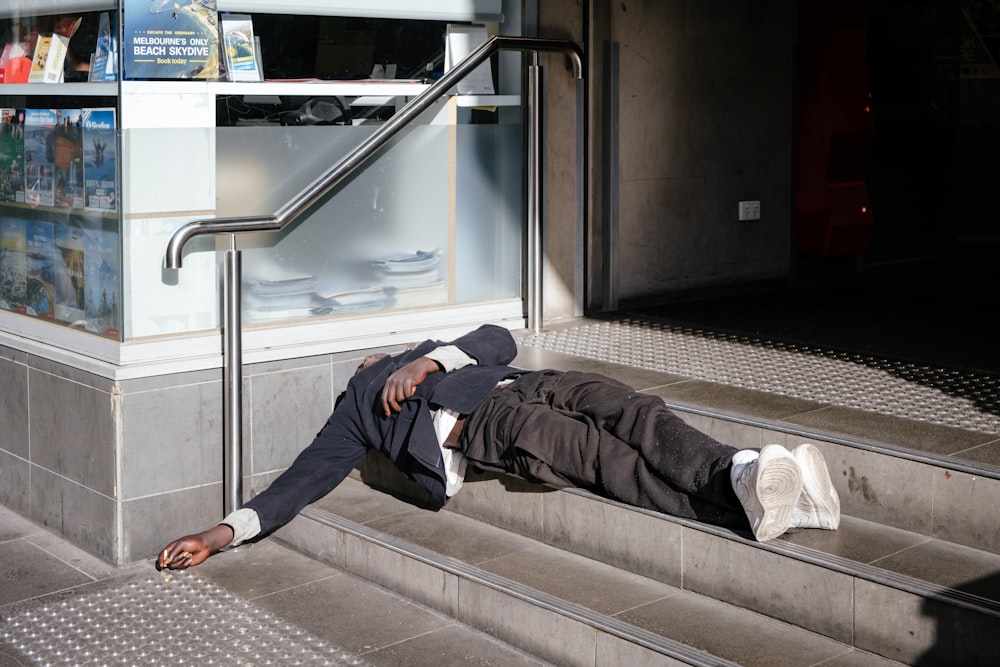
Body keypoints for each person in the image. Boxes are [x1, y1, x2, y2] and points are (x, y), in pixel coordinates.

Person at [158, 324, 839, 570]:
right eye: (369, 359)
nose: (371, 355)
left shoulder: (422, 354)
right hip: (491, 429)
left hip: (528, 381)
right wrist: (222, 533)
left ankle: (738, 470)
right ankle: (751, 497)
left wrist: (425, 361)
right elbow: (298, 485)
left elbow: (500, 338)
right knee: (608, 459)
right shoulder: (356, 413)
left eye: (379, 354)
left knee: (633, 407)